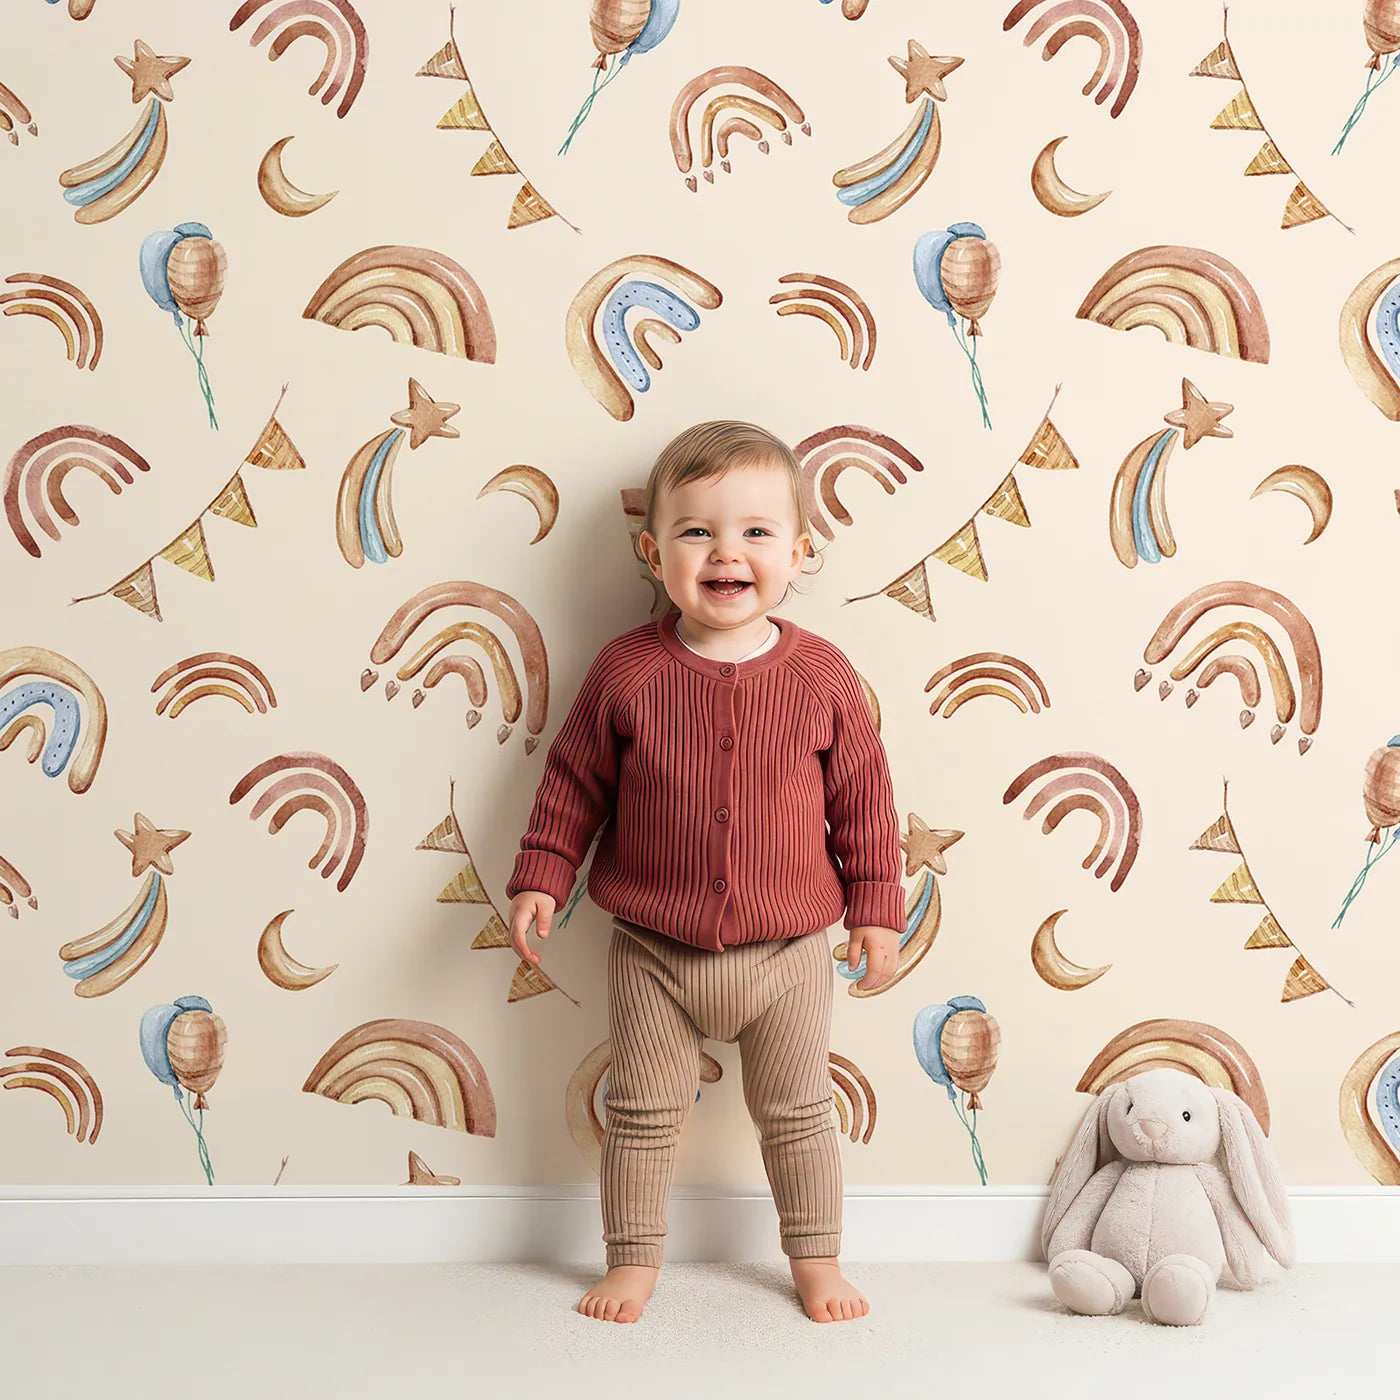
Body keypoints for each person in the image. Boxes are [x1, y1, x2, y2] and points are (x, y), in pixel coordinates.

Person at [505, 420, 905, 1324]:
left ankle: (815, 1261)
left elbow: (866, 802)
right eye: (697, 532)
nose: (727, 552)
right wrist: (542, 873)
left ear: (801, 551)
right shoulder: (626, 671)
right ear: (653, 552)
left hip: (790, 950)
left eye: (757, 532)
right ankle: (633, 1260)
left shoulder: (823, 677)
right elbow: (572, 783)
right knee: (642, 1114)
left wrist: (877, 909)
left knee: (800, 1114)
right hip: (654, 947)